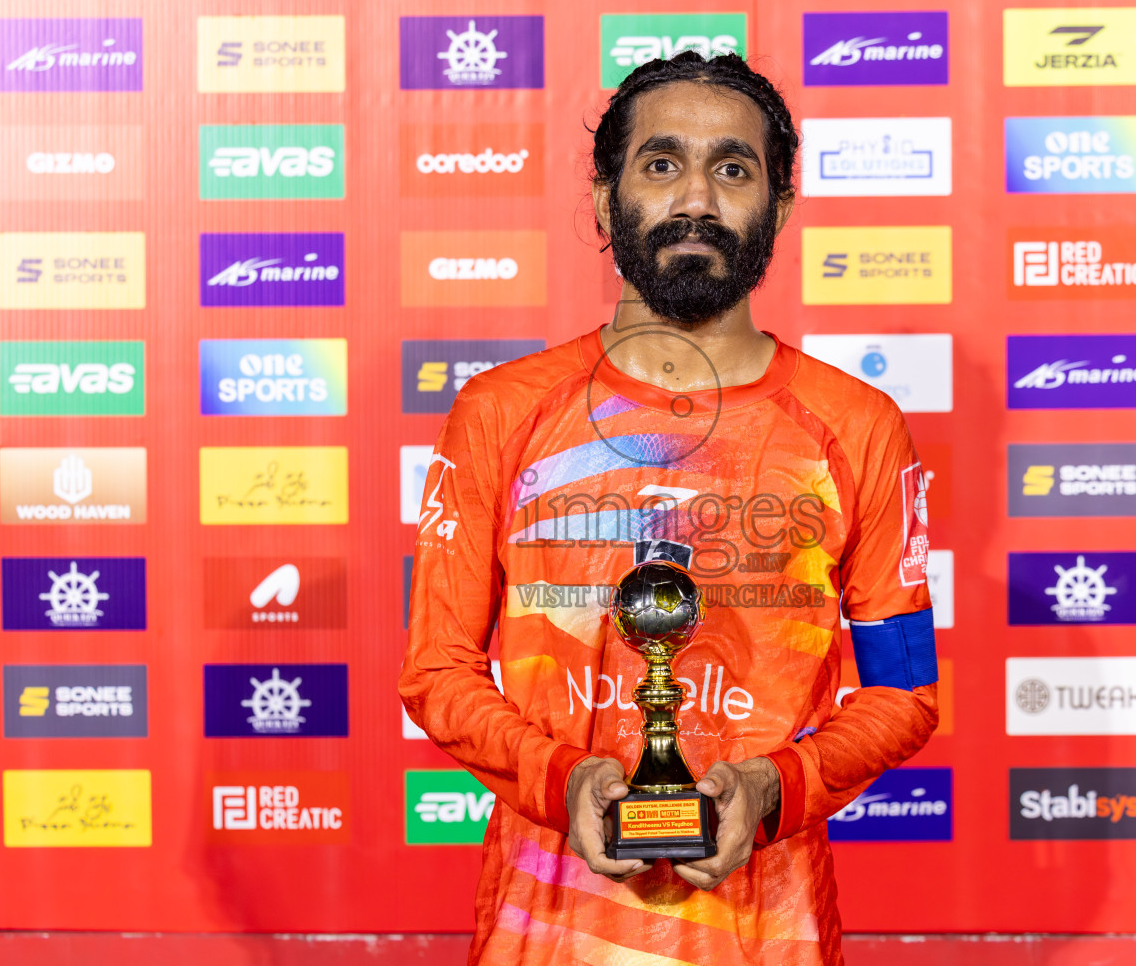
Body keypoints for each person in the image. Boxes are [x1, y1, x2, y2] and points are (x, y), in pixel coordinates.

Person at [399, 50, 940, 966]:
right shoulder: (500, 412)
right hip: (550, 932)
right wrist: (564, 780)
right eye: (662, 164)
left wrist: (776, 787)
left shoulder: (860, 427)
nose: (697, 198)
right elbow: (437, 671)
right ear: (608, 199)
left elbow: (904, 693)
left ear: (779, 203)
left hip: (770, 933)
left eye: (733, 168)